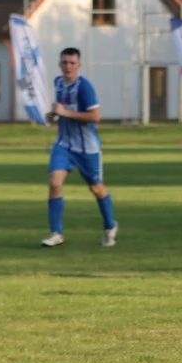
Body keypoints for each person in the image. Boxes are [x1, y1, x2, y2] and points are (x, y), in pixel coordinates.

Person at [40, 48, 118, 247]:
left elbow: (95, 116)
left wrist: (65, 113)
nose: (68, 66)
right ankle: (56, 233)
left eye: (72, 63)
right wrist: (53, 114)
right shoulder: (58, 83)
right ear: (60, 64)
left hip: (87, 148)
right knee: (54, 182)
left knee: (96, 187)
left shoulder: (85, 88)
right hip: (64, 144)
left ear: (79, 65)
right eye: (65, 62)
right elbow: (62, 110)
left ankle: (110, 225)